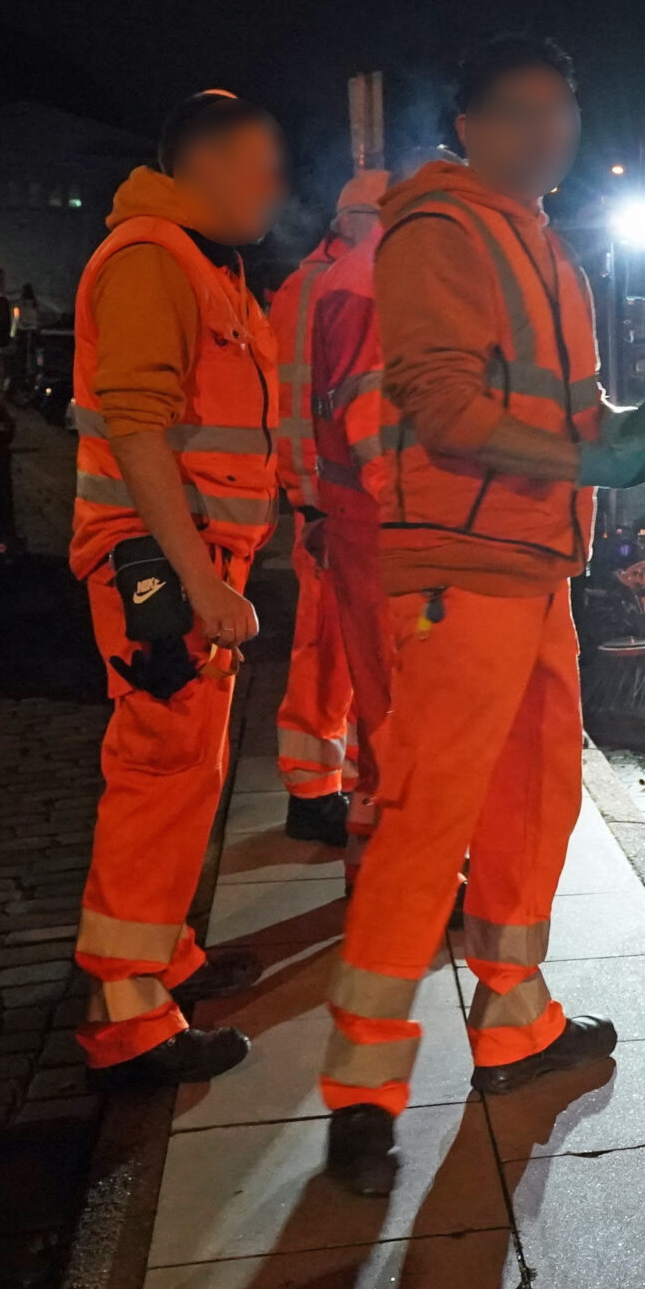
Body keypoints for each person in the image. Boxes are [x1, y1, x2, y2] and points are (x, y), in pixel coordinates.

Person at [319, 37, 645, 1193]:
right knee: (428, 816)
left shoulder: (544, 246)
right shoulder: (442, 229)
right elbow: (445, 408)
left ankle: (514, 1023)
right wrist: (605, 449)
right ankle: (362, 1089)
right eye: (523, 111)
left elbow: (571, 411)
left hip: (533, 566)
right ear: (470, 125)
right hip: (462, 562)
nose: (549, 130)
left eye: (564, 107)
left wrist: (629, 428)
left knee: (532, 806)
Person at [66, 90, 289, 1086]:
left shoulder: (199, 265)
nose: (277, 184)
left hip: (183, 562)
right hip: (159, 565)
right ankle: (126, 1012)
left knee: (187, 772)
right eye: (260, 164)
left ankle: (161, 961)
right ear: (202, 164)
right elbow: (137, 428)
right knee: (159, 775)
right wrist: (201, 582)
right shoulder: (154, 257)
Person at [268, 172, 388, 849]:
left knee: (338, 652)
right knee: (326, 649)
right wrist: (310, 502)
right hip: (332, 502)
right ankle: (315, 791)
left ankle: (325, 783)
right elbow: (303, 409)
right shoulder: (333, 286)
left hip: (327, 497)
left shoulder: (317, 282)